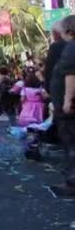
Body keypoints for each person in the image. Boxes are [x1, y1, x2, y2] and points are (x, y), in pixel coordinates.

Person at [49, 15, 75, 197]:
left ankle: (73, 183)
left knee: (72, 145)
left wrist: (67, 100)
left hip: (70, 109)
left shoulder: (71, 48)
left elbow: (70, 74)